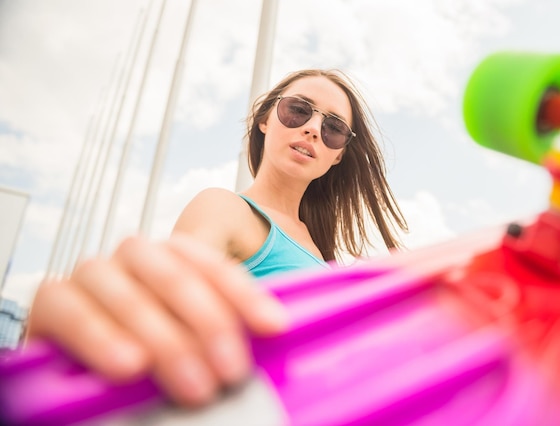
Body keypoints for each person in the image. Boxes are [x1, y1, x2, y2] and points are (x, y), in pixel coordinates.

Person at [24, 69, 409, 408]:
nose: (311, 129)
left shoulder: (325, 256)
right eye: (298, 110)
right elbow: (160, 323)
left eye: (333, 128)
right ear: (264, 120)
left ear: (338, 156)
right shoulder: (223, 208)